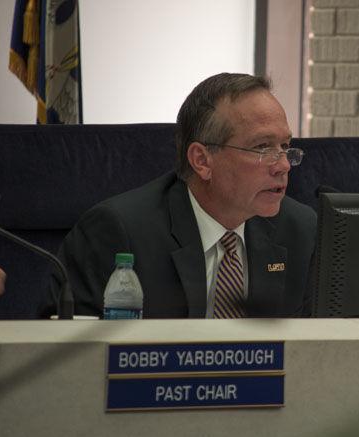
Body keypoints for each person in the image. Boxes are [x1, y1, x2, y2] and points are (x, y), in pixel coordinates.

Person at [45, 73, 316, 318]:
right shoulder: (118, 232)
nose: (283, 165)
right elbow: (65, 352)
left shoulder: (301, 230)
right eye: (262, 147)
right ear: (202, 160)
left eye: (285, 146)